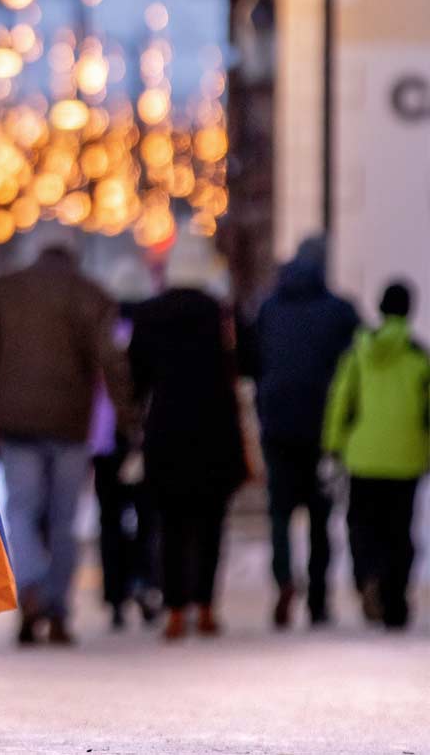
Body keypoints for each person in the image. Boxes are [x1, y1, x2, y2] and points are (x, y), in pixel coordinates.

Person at [0, 227, 133, 646]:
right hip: (72, 422)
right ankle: (56, 609)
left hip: (16, 420)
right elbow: (111, 358)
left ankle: (31, 586)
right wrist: (126, 416)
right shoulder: (90, 293)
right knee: (63, 517)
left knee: (21, 508)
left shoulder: (7, 289)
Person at [127, 234, 248, 641]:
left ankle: (175, 607)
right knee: (212, 522)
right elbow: (248, 363)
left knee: (172, 523)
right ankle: (206, 605)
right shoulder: (223, 314)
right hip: (216, 428)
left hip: (167, 429)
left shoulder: (149, 314)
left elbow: (136, 376)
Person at [248, 236, 359, 628]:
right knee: (319, 514)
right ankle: (318, 599)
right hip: (322, 426)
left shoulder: (269, 308)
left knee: (280, 511)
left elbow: (254, 361)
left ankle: (283, 579)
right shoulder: (340, 311)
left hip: (277, 421)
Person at [323, 282, 429, 631]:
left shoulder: (357, 352)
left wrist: (333, 445)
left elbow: (341, 401)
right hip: (407, 456)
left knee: (363, 526)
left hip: (363, 456)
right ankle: (395, 601)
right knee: (400, 531)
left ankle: (368, 576)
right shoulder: (418, 357)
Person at [92, 256, 160, 630]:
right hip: (143, 435)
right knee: (147, 517)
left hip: (106, 437)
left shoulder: (105, 330)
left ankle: (116, 595)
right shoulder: (152, 330)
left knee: (110, 519)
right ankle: (147, 582)